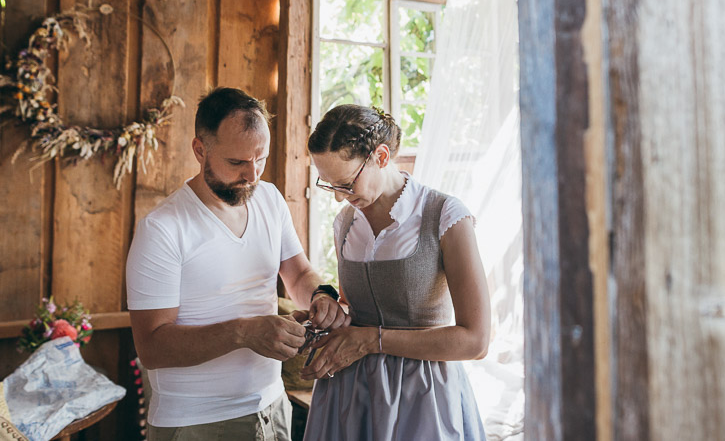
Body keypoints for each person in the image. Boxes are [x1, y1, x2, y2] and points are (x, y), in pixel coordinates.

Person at [126, 87, 349, 441]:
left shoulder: (271, 199)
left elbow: (299, 273)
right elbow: (151, 347)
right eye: (237, 162)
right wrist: (244, 333)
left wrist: (320, 297)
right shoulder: (162, 229)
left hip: (272, 408)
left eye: (260, 158)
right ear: (201, 150)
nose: (252, 174)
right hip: (195, 422)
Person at [301, 104, 491, 441]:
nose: (339, 199)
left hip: (423, 397)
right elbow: (352, 307)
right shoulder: (345, 223)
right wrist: (329, 307)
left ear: (382, 156)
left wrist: (372, 341)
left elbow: (475, 341)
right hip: (350, 396)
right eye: (329, 186)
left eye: (345, 184)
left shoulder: (445, 216)